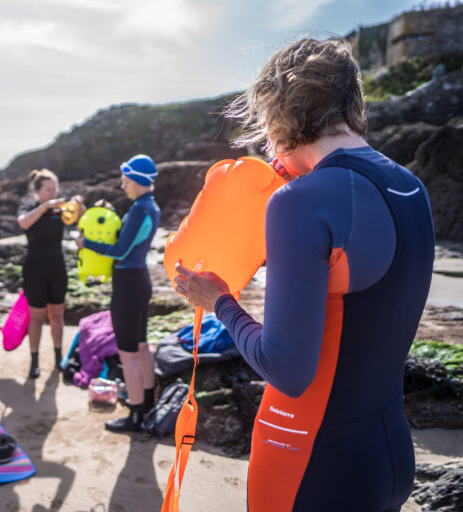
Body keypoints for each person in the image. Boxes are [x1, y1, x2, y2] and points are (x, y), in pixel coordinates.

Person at [174, 38, 434, 511]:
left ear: (278, 111)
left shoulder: (300, 202)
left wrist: (220, 303)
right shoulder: (408, 184)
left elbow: (287, 371)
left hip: (307, 457)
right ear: (349, 102)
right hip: (387, 452)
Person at [76, 154, 161, 432]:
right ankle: (148, 403)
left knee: (127, 354)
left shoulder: (139, 209)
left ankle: (135, 416)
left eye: (126, 179)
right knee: (140, 346)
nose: (123, 185)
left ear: (136, 180)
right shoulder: (151, 206)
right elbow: (130, 243)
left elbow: (121, 251)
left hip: (128, 284)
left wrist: (86, 242)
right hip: (140, 280)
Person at [17, 169, 85, 378]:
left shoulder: (61, 209)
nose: (53, 193)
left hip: (57, 266)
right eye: (48, 189)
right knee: (36, 317)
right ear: (37, 191)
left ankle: (58, 359)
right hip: (35, 268)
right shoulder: (30, 206)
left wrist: (79, 206)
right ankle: (34, 361)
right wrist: (45, 206)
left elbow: (81, 220)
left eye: (55, 189)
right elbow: (23, 223)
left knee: (57, 314)